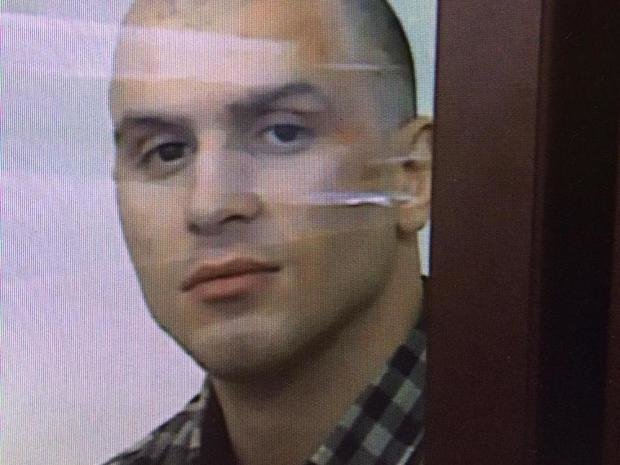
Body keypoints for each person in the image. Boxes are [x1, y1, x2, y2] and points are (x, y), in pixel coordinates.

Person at [104, 0, 432, 463]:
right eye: (167, 152)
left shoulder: (531, 431)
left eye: (282, 133)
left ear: (411, 175)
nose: (210, 206)